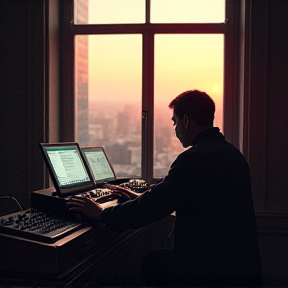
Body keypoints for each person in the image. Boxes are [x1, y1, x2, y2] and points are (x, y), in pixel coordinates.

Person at [67, 90, 262, 287]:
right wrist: (139, 197)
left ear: (186, 121)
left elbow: (151, 208)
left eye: (175, 122)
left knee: (152, 263)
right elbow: (196, 200)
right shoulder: (233, 154)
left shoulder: (193, 159)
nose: (175, 130)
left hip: (205, 270)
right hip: (237, 267)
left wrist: (102, 214)